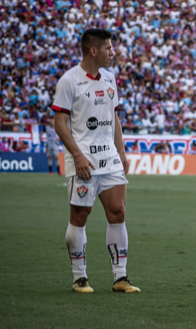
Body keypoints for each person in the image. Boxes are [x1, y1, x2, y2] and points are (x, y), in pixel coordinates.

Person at [52, 28, 139, 294]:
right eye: (108, 48)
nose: (112, 53)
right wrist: (77, 155)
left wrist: (121, 152)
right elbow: (59, 123)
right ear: (93, 50)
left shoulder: (110, 79)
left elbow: (114, 118)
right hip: (83, 160)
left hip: (109, 157)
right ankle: (80, 277)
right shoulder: (69, 81)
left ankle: (120, 277)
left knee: (118, 212)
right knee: (80, 215)